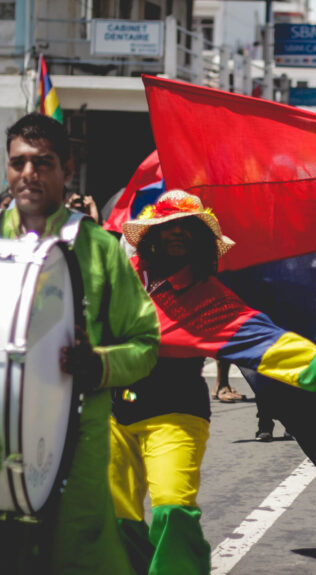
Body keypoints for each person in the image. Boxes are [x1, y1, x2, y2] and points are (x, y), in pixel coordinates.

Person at [110, 190, 316, 575]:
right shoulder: (122, 278)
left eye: (187, 228)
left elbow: (262, 336)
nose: (177, 234)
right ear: (153, 236)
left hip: (175, 412)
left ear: (199, 241)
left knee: (173, 509)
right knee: (114, 517)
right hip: (114, 409)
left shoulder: (209, 297)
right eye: (168, 227)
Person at [0, 113, 160, 574]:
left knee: (78, 554)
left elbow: (146, 345)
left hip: (76, 438)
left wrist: (100, 365)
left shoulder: (100, 248)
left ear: (66, 170)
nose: (29, 174)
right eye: (18, 162)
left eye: (43, 162)